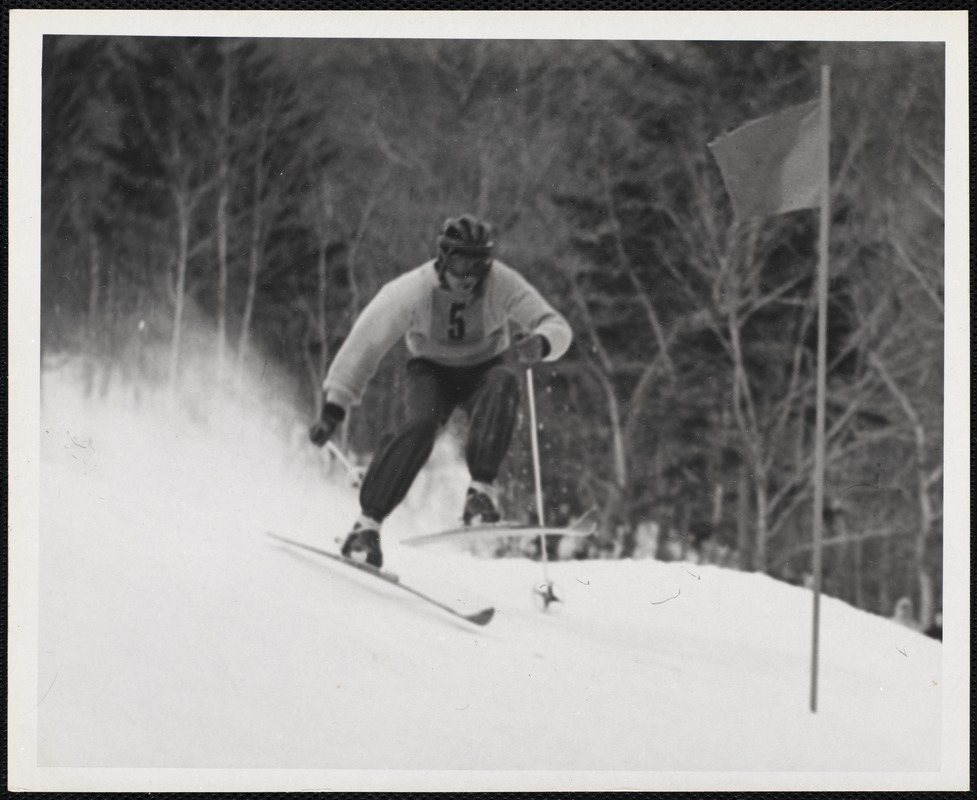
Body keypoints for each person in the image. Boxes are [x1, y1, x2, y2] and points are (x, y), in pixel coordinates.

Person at [308, 214, 573, 568]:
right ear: (444, 259)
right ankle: (366, 526)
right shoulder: (412, 291)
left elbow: (555, 324)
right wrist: (334, 407)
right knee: (420, 426)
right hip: (431, 371)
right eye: (461, 263)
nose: (468, 276)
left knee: (503, 382)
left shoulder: (501, 284)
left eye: (478, 265)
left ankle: (480, 493)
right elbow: (365, 343)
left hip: (484, 368)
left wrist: (542, 343)